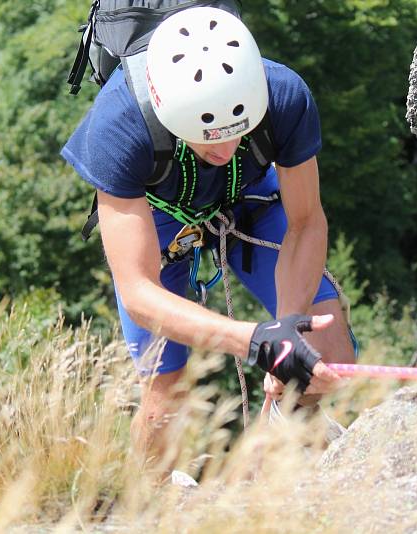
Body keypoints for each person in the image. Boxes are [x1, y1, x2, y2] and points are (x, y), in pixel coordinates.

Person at [61, 6, 356, 473]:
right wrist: (257, 342)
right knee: (164, 401)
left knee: (329, 358)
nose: (224, 150)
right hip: (160, 215)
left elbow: (305, 222)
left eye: (237, 134)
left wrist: (289, 330)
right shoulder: (118, 124)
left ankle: (277, 445)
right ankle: (153, 500)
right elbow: (139, 292)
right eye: (207, 140)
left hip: (250, 195)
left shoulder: (282, 95)